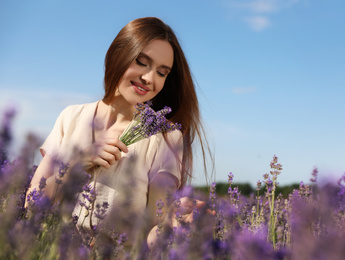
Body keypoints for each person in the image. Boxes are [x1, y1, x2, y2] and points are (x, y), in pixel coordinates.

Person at [25, 17, 211, 252]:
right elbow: (32, 205)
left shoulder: (165, 140)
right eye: (142, 62)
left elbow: (152, 231)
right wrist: (78, 163)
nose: (150, 79)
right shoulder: (70, 118)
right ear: (118, 54)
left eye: (162, 73)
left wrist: (175, 225)